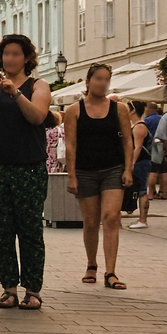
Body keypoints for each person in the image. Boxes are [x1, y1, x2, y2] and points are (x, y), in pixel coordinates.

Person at [0, 34, 53, 309]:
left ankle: (33, 289)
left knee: (30, 230)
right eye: (5, 54)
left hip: (29, 166)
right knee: (1, 231)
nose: (8, 59)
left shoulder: (38, 85)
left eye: (14, 54)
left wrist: (16, 93)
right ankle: (9, 288)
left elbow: (37, 117)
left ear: (26, 58)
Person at [64, 65, 134, 290]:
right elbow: (71, 145)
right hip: (85, 171)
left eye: (106, 79)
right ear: (88, 81)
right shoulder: (74, 110)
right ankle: (91, 264)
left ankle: (111, 272)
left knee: (111, 217)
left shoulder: (119, 109)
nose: (102, 83)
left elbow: (127, 141)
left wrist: (128, 169)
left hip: (112, 168)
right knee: (91, 222)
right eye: (98, 79)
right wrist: (71, 175)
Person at [127, 99, 154, 230]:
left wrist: (131, 163)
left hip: (141, 161)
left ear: (133, 111)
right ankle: (141, 218)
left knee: (142, 190)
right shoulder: (135, 125)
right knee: (139, 189)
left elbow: (137, 147)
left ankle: (143, 220)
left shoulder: (139, 126)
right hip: (140, 161)